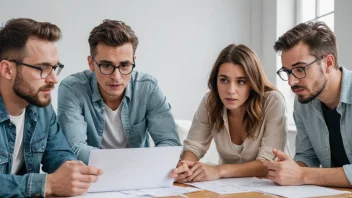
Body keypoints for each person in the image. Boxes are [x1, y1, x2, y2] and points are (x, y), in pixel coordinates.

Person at [0, 18, 102, 197]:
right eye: (42, 68)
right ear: (7, 70)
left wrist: (73, 172)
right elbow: (48, 184)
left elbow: (59, 155)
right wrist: (46, 184)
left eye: (54, 68)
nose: (54, 79)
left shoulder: (41, 108)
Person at [57, 19, 181, 164]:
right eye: (107, 65)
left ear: (133, 61)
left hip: (139, 176)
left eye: (124, 65)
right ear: (91, 63)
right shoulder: (72, 89)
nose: (116, 77)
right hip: (92, 177)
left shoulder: (148, 88)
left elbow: (170, 144)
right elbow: (75, 149)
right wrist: (129, 163)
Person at [169, 44, 287, 183]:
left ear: (253, 82)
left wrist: (219, 170)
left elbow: (268, 164)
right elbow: (195, 146)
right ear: (215, 80)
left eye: (241, 81)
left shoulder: (273, 101)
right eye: (224, 80)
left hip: (272, 187)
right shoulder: (210, 101)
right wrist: (185, 168)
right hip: (229, 187)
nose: (231, 90)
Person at [264, 21, 352, 188]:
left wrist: (303, 175)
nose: (291, 81)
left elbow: (305, 174)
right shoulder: (303, 102)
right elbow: (308, 156)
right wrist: (288, 169)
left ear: (328, 63)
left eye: (300, 69)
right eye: (287, 72)